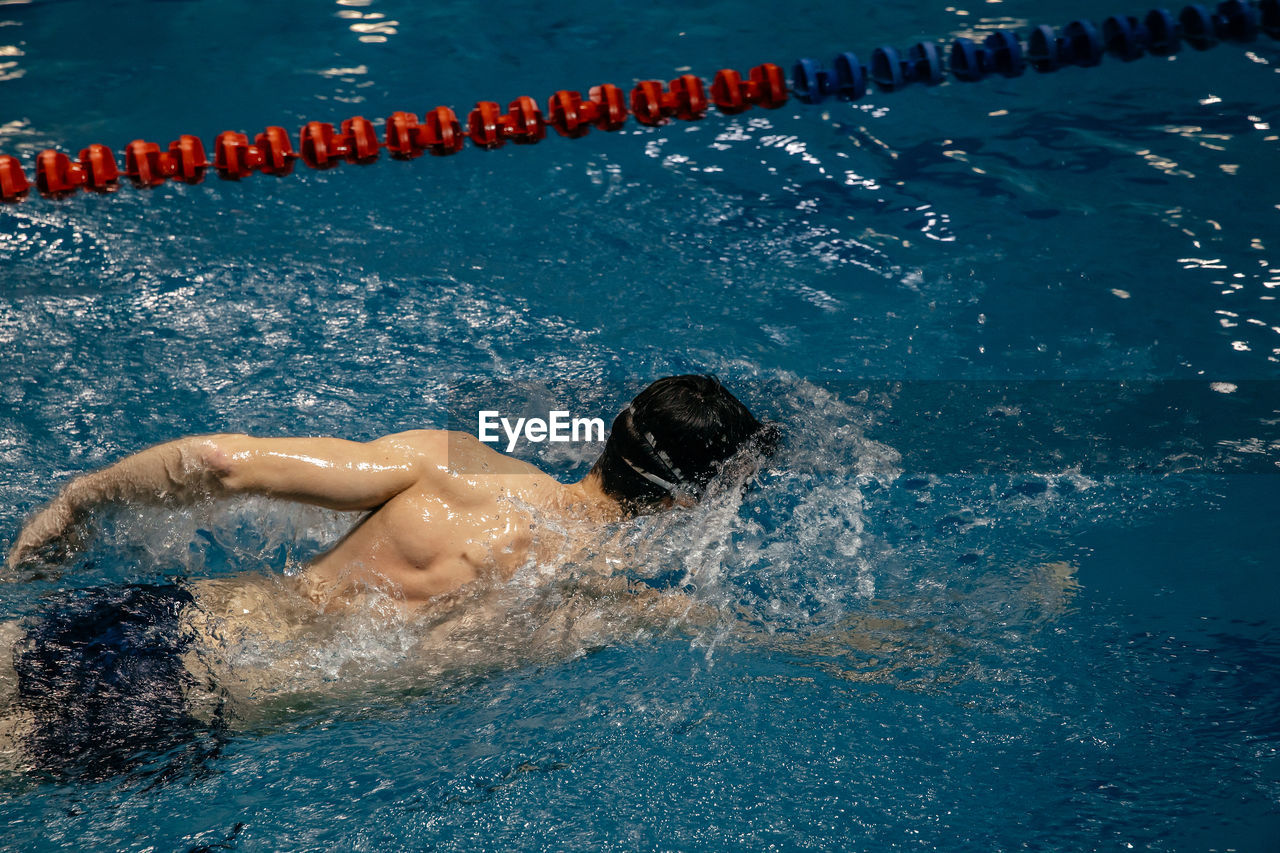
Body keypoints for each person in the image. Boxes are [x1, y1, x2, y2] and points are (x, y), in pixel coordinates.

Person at [0, 375, 775, 777]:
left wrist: (77, 501)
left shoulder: (454, 462)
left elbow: (219, 463)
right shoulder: (609, 601)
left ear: (612, 430)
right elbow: (770, 640)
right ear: (693, 500)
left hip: (162, 616)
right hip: (192, 701)